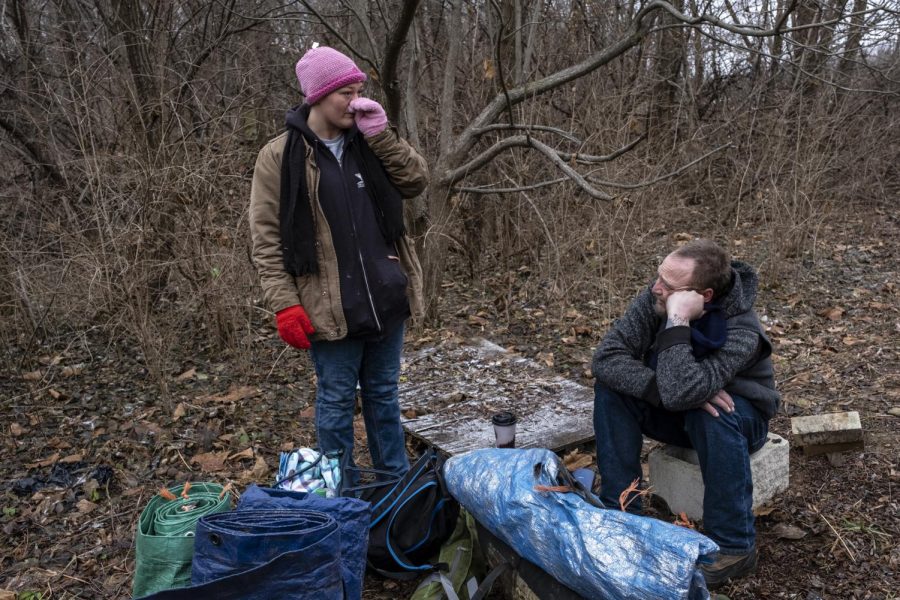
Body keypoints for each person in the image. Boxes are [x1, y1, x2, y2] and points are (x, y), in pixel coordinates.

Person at [249, 45, 428, 479]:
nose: (357, 102)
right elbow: (266, 238)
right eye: (345, 93)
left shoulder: (371, 140)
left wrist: (382, 136)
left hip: (386, 295)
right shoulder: (279, 156)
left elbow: (416, 180)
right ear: (318, 96)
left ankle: (396, 489)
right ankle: (341, 496)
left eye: (359, 91)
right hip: (329, 307)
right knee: (335, 402)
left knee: (384, 396)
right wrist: (285, 304)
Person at [591, 239, 779, 589]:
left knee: (711, 413)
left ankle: (736, 546)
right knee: (612, 388)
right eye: (658, 276)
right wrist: (670, 391)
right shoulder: (656, 297)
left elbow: (683, 390)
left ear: (702, 296)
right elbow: (606, 359)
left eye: (668, 286)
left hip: (741, 419)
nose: (655, 288)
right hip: (683, 407)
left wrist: (677, 320)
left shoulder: (742, 332)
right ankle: (621, 513)